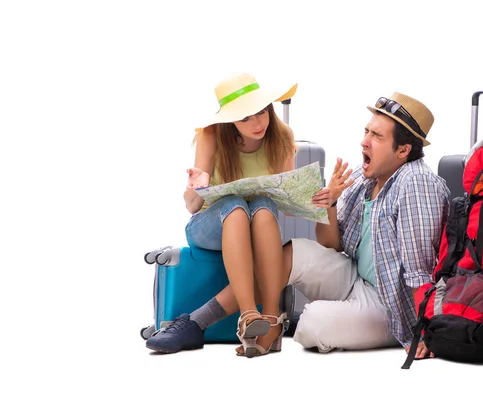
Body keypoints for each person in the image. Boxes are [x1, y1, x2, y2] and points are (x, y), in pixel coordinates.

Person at [145, 72, 298, 357]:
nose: (258, 123)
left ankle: (272, 322)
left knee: (264, 204)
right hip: (209, 225)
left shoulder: (282, 136)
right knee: (234, 204)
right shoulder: (211, 135)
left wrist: (314, 197)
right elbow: (192, 206)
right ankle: (249, 314)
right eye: (246, 118)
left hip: (259, 229)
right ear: (230, 121)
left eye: (262, 112)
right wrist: (197, 187)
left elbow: (285, 203)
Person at [286, 92, 450, 357]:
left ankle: (348, 319)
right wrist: (330, 203)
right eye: (367, 131)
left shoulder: (416, 184)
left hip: (391, 306)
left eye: (377, 136)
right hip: (359, 281)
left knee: (312, 324)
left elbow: (423, 272)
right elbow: (330, 244)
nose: (364, 142)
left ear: (403, 150)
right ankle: (266, 324)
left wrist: (428, 333)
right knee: (290, 252)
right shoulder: (365, 178)